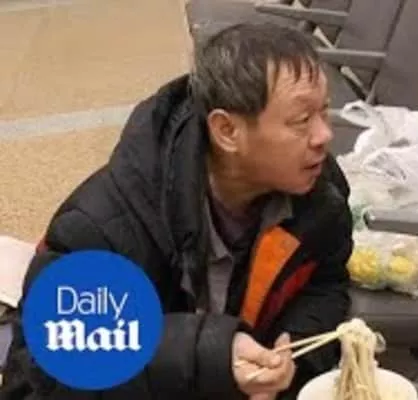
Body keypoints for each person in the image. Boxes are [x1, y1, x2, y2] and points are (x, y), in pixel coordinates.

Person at [1, 22, 353, 400]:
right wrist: (206, 358)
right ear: (227, 131)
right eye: (302, 120)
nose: (324, 136)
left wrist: (297, 347)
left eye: (324, 111)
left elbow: (325, 283)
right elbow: (38, 379)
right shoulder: (101, 227)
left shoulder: (320, 198)